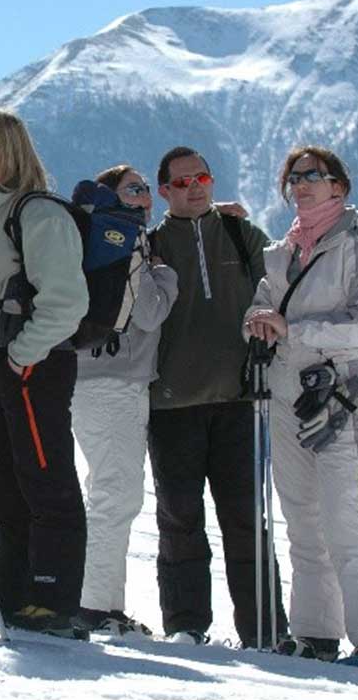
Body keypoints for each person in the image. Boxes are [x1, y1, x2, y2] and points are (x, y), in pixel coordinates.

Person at [244, 146, 358, 668]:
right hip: (287, 387)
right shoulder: (283, 250)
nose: (302, 184)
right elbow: (264, 299)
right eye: (294, 177)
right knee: (303, 516)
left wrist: (296, 328)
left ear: (340, 186)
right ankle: (314, 633)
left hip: (342, 389)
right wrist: (258, 320)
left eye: (315, 175)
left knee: (345, 516)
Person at [0, 109, 88, 637]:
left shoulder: (38, 214)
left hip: (31, 365)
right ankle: (10, 592)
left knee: (44, 477)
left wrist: (23, 353)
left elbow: (66, 301)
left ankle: (53, 599)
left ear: (4, 151)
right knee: (7, 481)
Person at [146, 145, 288, 646]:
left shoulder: (238, 232)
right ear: (164, 191)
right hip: (169, 403)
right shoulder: (152, 243)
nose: (194, 187)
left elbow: (283, 276)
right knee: (180, 519)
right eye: (181, 182)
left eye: (201, 177)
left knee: (248, 521)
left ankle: (265, 631)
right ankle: (186, 626)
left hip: (240, 399)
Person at [70, 165, 177, 636]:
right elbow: (150, 312)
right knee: (116, 494)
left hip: (89, 377)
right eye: (134, 189)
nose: (145, 197)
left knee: (108, 491)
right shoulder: (126, 240)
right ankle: (94, 606)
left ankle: (102, 604)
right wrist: (166, 277)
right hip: (115, 381)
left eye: (146, 189)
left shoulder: (91, 241)